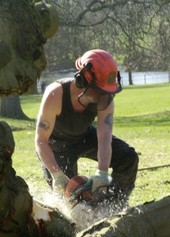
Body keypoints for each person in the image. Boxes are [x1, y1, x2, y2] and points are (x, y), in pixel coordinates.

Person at [35, 49, 139, 201]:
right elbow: (40, 140)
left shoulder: (105, 98)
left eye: (106, 91)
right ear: (82, 80)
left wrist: (102, 173)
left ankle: (113, 205)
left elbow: (104, 137)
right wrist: (56, 174)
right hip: (56, 147)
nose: (103, 96)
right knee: (71, 197)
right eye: (99, 90)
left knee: (128, 157)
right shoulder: (55, 94)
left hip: (84, 137)